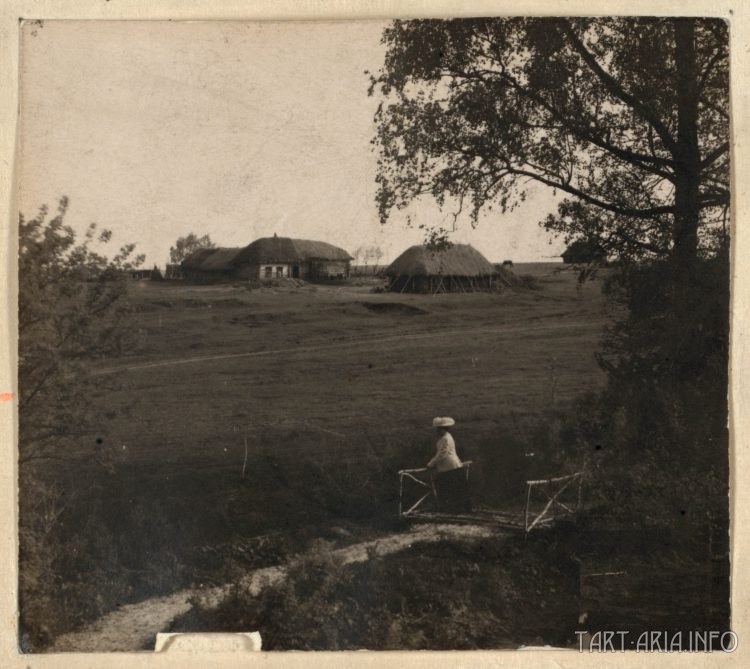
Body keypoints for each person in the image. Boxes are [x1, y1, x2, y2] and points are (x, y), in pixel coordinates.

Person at [426, 417, 471, 512]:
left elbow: (442, 454)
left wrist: (431, 464)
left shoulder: (445, 439)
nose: (437, 431)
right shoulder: (447, 437)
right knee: (456, 489)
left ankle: (456, 510)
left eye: (438, 429)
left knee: (451, 489)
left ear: (442, 429)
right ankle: (460, 510)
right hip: (451, 466)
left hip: (449, 467)